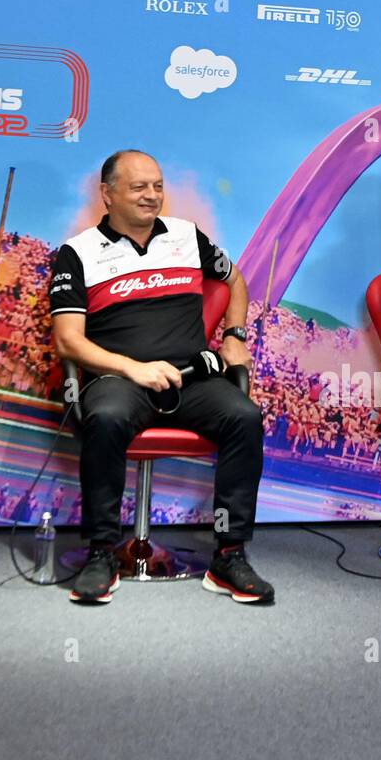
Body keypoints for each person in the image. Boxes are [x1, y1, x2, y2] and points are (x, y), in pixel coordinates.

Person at [50, 150, 274, 605]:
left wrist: (234, 334)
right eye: (138, 187)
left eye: (157, 185)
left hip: (190, 379)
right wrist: (133, 368)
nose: (151, 196)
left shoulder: (188, 237)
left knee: (244, 417)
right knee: (108, 418)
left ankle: (230, 555)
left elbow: (234, 280)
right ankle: (101, 553)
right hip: (118, 378)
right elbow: (69, 342)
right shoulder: (77, 253)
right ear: (107, 194)